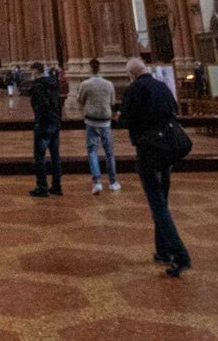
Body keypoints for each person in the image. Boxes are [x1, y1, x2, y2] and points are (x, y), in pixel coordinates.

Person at [119, 57, 191, 276]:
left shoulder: (135, 90)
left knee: (158, 205)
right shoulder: (162, 86)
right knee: (162, 202)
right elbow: (174, 109)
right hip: (168, 150)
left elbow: (125, 121)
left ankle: (180, 255)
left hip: (150, 151)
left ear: (132, 74)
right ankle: (162, 250)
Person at [77, 57, 121, 194]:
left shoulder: (85, 84)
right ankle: (113, 182)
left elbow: (80, 100)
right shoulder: (108, 84)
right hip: (105, 121)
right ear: (100, 68)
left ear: (90, 68)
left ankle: (97, 183)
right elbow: (113, 102)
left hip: (91, 120)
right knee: (109, 152)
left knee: (92, 151)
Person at [29, 62, 63, 197]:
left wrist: (39, 121)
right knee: (55, 156)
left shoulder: (38, 86)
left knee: (39, 157)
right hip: (55, 123)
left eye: (32, 72)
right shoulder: (53, 84)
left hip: (43, 124)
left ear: (36, 72)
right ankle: (57, 186)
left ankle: (42, 186)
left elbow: (41, 106)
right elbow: (59, 104)